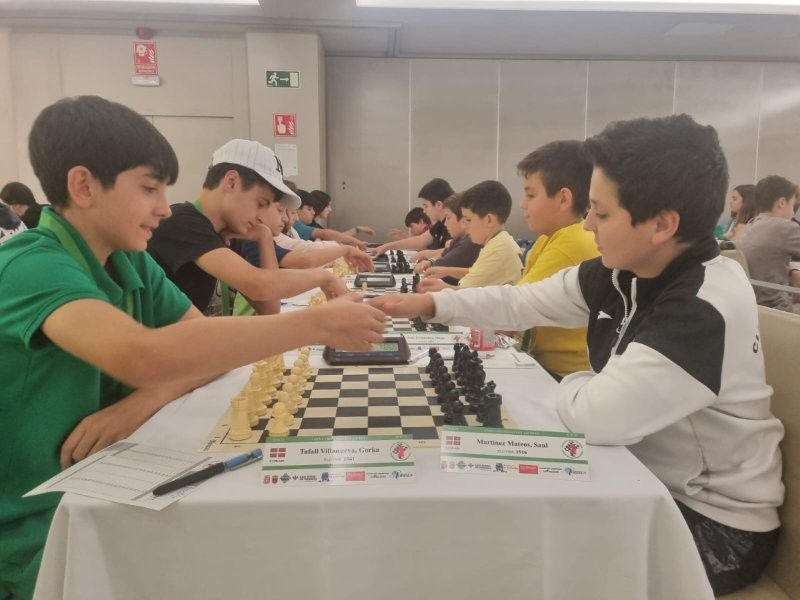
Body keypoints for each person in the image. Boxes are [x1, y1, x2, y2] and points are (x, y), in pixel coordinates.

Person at [370, 114, 784, 597]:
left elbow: (597, 418)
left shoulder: (703, 305)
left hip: (710, 524)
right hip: (633, 474)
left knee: (501, 556)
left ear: (662, 224)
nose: (587, 224)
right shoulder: (626, 269)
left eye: (601, 214)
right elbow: (523, 302)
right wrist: (432, 306)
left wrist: (581, 381)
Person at [0, 96, 385, 600]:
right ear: (84, 186)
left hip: (109, 486)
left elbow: (201, 348)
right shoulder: (31, 266)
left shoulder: (131, 262)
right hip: (38, 526)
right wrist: (317, 325)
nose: (164, 208)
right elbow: (140, 355)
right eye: (149, 189)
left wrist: (146, 399)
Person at [146, 139, 350, 316]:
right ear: (231, 182)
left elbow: (269, 307)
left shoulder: (232, 234)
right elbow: (259, 286)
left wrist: (264, 237)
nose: (262, 216)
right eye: (261, 203)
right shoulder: (182, 222)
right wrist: (323, 277)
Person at [514, 140, 600, 379]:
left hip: (565, 376)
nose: (522, 204)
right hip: (547, 365)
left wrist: (440, 304)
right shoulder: (548, 239)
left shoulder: (571, 242)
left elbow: (515, 310)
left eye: (530, 194)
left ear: (563, 199)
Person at [418, 180, 522, 292]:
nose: (464, 226)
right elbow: (477, 271)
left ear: (489, 220)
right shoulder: (499, 241)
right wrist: (446, 271)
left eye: (468, 220)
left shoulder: (497, 250)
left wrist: (443, 288)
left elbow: (464, 294)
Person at [736, 175, 800, 313]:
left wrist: (791, 271)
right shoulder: (785, 227)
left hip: (754, 307)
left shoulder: (752, 224)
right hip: (777, 309)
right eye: (792, 206)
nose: (793, 212)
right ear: (782, 202)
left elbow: (765, 257)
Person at [373, 178, 454, 257]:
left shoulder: (453, 226)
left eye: (426, 206)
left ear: (438, 205)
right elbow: (420, 241)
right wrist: (386, 247)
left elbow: (452, 252)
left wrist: (423, 254)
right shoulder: (440, 224)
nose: (424, 211)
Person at [414, 194, 480, 285]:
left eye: (448, 218)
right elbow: (443, 255)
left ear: (463, 219)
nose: (445, 224)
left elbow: (437, 268)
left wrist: (429, 262)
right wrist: (430, 261)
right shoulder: (458, 239)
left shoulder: (468, 244)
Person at [293, 190, 367, 249]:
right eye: (327, 206)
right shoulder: (298, 226)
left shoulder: (312, 225)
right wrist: (354, 239)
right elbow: (328, 236)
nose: (330, 209)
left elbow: (332, 239)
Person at [306, 189, 374, 237]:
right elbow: (332, 239)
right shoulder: (309, 227)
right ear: (319, 205)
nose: (330, 209)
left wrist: (358, 229)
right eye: (327, 206)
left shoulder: (315, 225)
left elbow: (336, 238)